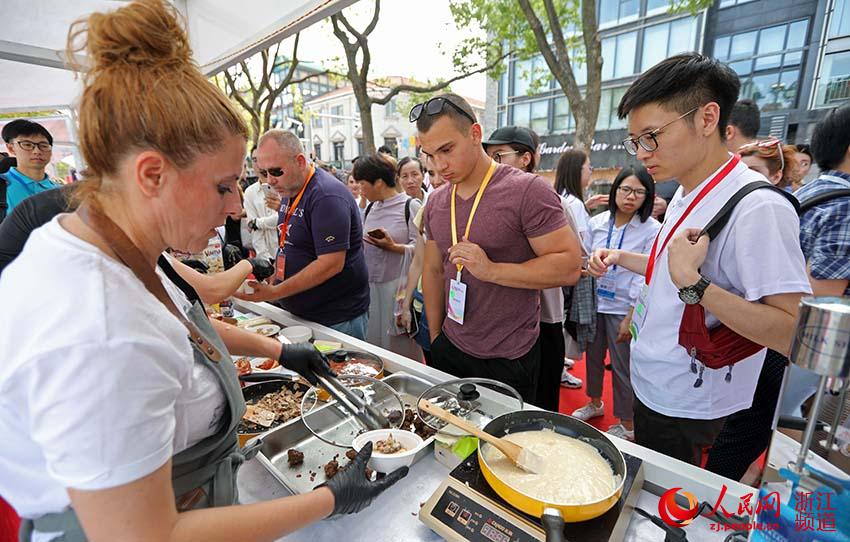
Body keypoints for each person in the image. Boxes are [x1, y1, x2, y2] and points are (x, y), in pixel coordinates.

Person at [0, 3, 406, 542]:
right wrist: (328, 498)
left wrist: (282, 351)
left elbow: (192, 330)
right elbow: (146, 535)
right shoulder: (97, 330)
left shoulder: (115, 245)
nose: (236, 205)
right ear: (151, 174)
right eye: (222, 186)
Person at [589, 52, 810, 466]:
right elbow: (668, 268)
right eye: (635, 140)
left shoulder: (758, 206)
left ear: (708, 119)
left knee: (678, 514)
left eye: (652, 135)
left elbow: (789, 332)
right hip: (656, 381)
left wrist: (696, 285)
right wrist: (621, 258)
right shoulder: (686, 192)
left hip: (695, 406)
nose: (643, 153)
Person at [415, 93, 582, 403]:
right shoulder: (437, 200)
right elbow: (434, 268)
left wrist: (492, 271)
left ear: (475, 134)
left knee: (502, 447)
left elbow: (570, 265)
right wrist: (436, 337)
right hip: (451, 343)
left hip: (510, 354)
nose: (439, 165)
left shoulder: (527, 190)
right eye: (429, 155)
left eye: (446, 150)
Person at [235, 129, 371, 340]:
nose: (270, 180)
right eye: (264, 173)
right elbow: (291, 243)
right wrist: (275, 279)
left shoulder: (327, 196)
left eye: (276, 172)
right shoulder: (291, 188)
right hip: (303, 315)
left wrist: (276, 292)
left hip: (335, 320)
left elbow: (331, 263)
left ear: (300, 161)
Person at [482, 125, 579, 412]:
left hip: (543, 321)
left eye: (499, 155)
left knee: (539, 406)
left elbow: (575, 262)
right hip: (497, 320)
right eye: (489, 156)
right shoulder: (486, 201)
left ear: (526, 158)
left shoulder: (550, 201)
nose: (492, 164)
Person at [571, 166, 661, 441]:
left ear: (648, 196)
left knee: (623, 367)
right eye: (625, 189)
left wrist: (631, 314)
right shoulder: (598, 223)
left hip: (624, 306)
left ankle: (627, 423)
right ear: (615, 190)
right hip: (595, 303)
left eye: (638, 191)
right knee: (593, 359)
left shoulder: (652, 230)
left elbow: (646, 276)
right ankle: (595, 402)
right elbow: (585, 258)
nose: (630, 196)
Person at [779, 104, 850, 418]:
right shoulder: (845, 206)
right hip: (811, 349)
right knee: (788, 425)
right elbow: (820, 301)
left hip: (775, 345)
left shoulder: (806, 194)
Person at [355, 153, 422, 359]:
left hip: (399, 288)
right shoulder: (371, 207)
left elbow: (421, 252)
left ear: (379, 183)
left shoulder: (410, 207)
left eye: (362, 183)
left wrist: (393, 247)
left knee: (400, 346)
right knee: (375, 343)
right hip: (372, 287)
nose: (359, 188)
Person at [553, 149, 596, 390]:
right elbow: (578, 244)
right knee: (566, 319)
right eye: (588, 167)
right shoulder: (574, 204)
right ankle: (559, 368)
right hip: (576, 271)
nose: (590, 172)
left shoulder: (565, 198)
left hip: (566, 271)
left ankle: (560, 362)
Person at [398, 156, 447, 363]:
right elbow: (418, 261)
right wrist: (406, 305)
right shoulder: (427, 210)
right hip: (425, 300)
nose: (436, 181)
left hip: (455, 305)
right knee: (432, 360)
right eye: (432, 173)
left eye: (441, 174)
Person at [1, 119, 60, 222]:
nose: (37, 151)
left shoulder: (62, 192)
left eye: (43, 146)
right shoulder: (2, 185)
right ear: (11, 148)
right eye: (27, 145)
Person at [243, 162, 280, 261]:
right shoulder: (250, 192)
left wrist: (257, 223)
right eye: (255, 160)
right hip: (266, 256)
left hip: (288, 254)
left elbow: (282, 217)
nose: (259, 164)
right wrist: (265, 258)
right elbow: (255, 232)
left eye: (262, 159)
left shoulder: (284, 187)